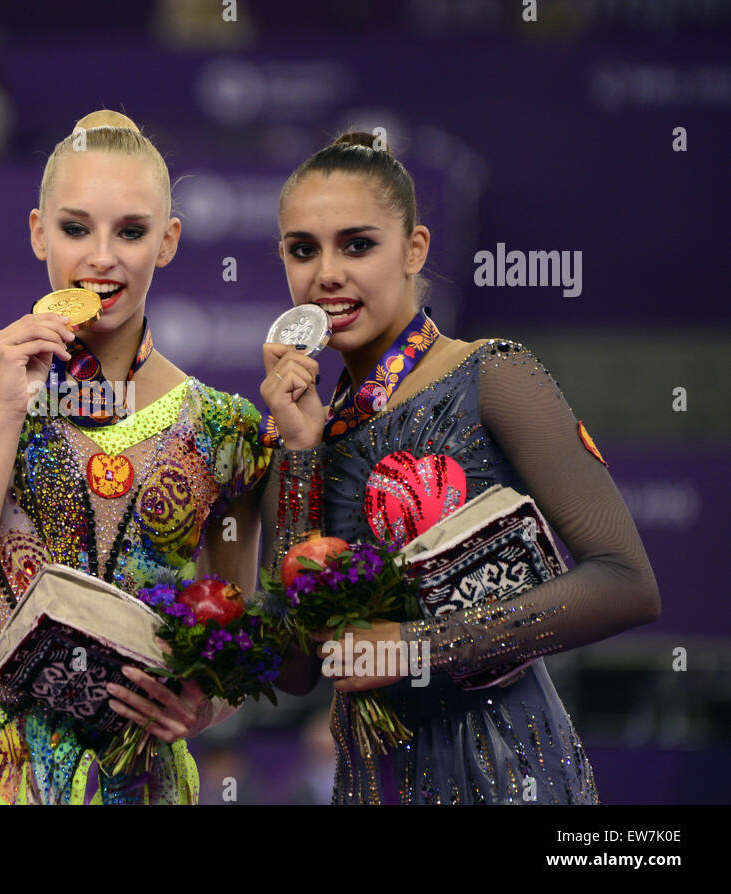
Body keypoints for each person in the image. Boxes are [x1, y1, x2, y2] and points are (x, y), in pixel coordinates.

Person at [258, 131, 661, 804]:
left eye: (357, 244)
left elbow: (628, 585)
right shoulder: (300, 433)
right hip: (373, 783)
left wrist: (417, 646)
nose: (326, 273)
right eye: (304, 249)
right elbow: (296, 669)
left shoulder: (495, 373)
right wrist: (299, 456)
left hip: (510, 773)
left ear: (414, 248)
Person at [0, 110, 270, 804]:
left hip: (142, 779)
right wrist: (11, 412)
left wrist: (205, 707)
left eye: (130, 232)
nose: (102, 256)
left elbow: (234, 650)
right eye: (76, 228)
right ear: (38, 229)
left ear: (168, 243)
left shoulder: (228, 429)